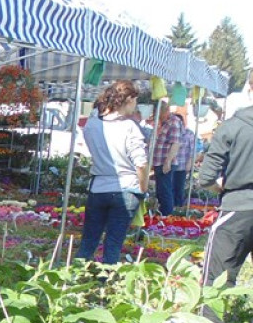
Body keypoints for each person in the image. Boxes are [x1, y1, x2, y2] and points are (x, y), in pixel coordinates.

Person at [195, 102, 253, 323]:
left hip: (237, 208)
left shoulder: (233, 126)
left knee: (217, 279)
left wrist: (225, 187)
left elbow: (206, 176)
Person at [76, 81, 150, 264]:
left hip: (98, 187)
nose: (136, 106)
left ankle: (74, 279)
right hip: (126, 188)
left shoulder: (92, 124)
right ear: (129, 99)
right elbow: (141, 163)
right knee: (113, 244)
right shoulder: (129, 127)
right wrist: (143, 188)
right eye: (135, 101)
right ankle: (105, 285)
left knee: (88, 240)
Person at [151, 103, 184, 216]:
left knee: (165, 191)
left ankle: (166, 216)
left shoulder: (173, 122)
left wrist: (168, 161)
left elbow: (176, 143)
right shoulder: (164, 123)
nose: (156, 115)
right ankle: (162, 214)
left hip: (165, 162)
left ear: (165, 111)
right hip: (159, 161)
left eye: (158, 113)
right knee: (161, 190)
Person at [172, 123, 196, 210]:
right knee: (170, 189)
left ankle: (178, 208)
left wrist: (189, 163)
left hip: (182, 165)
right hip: (170, 165)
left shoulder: (189, 133)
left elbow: (192, 150)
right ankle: (172, 208)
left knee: (179, 188)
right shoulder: (172, 132)